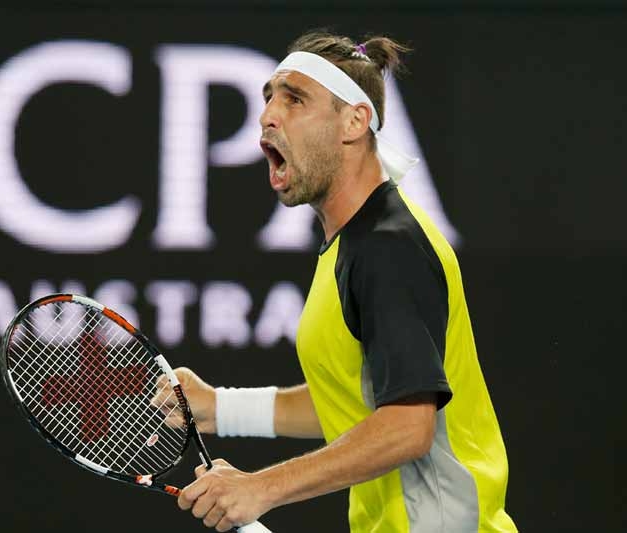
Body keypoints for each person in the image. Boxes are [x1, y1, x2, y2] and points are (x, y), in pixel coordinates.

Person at [153, 30, 518, 533]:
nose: (267, 115)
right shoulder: (353, 245)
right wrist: (222, 407)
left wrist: (261, 487)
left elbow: (407, 426)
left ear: (354, 121)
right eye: (268, 98)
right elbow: (354, 400)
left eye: (294, 99)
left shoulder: (389, 248)